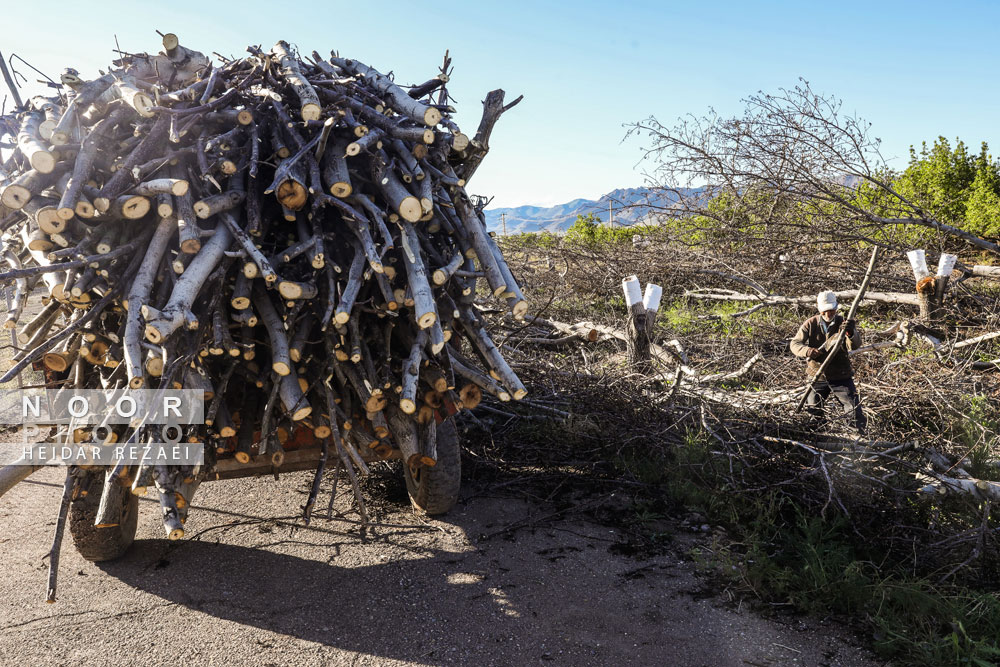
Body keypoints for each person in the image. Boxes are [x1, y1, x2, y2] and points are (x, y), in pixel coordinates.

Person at [789, 290, 867, 435]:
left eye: (831, 310)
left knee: (853, 409)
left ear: (836, 308)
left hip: (841, 374)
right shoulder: (810, 323)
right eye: (825, 311)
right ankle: (817, 439)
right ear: (819, 309)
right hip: (817, 375)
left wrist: (850, 333)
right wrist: (807, 351)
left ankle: (857, 440)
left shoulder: (844, 322)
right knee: (812, 410)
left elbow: (854, 345)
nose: (828, 314)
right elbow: (795, 344)